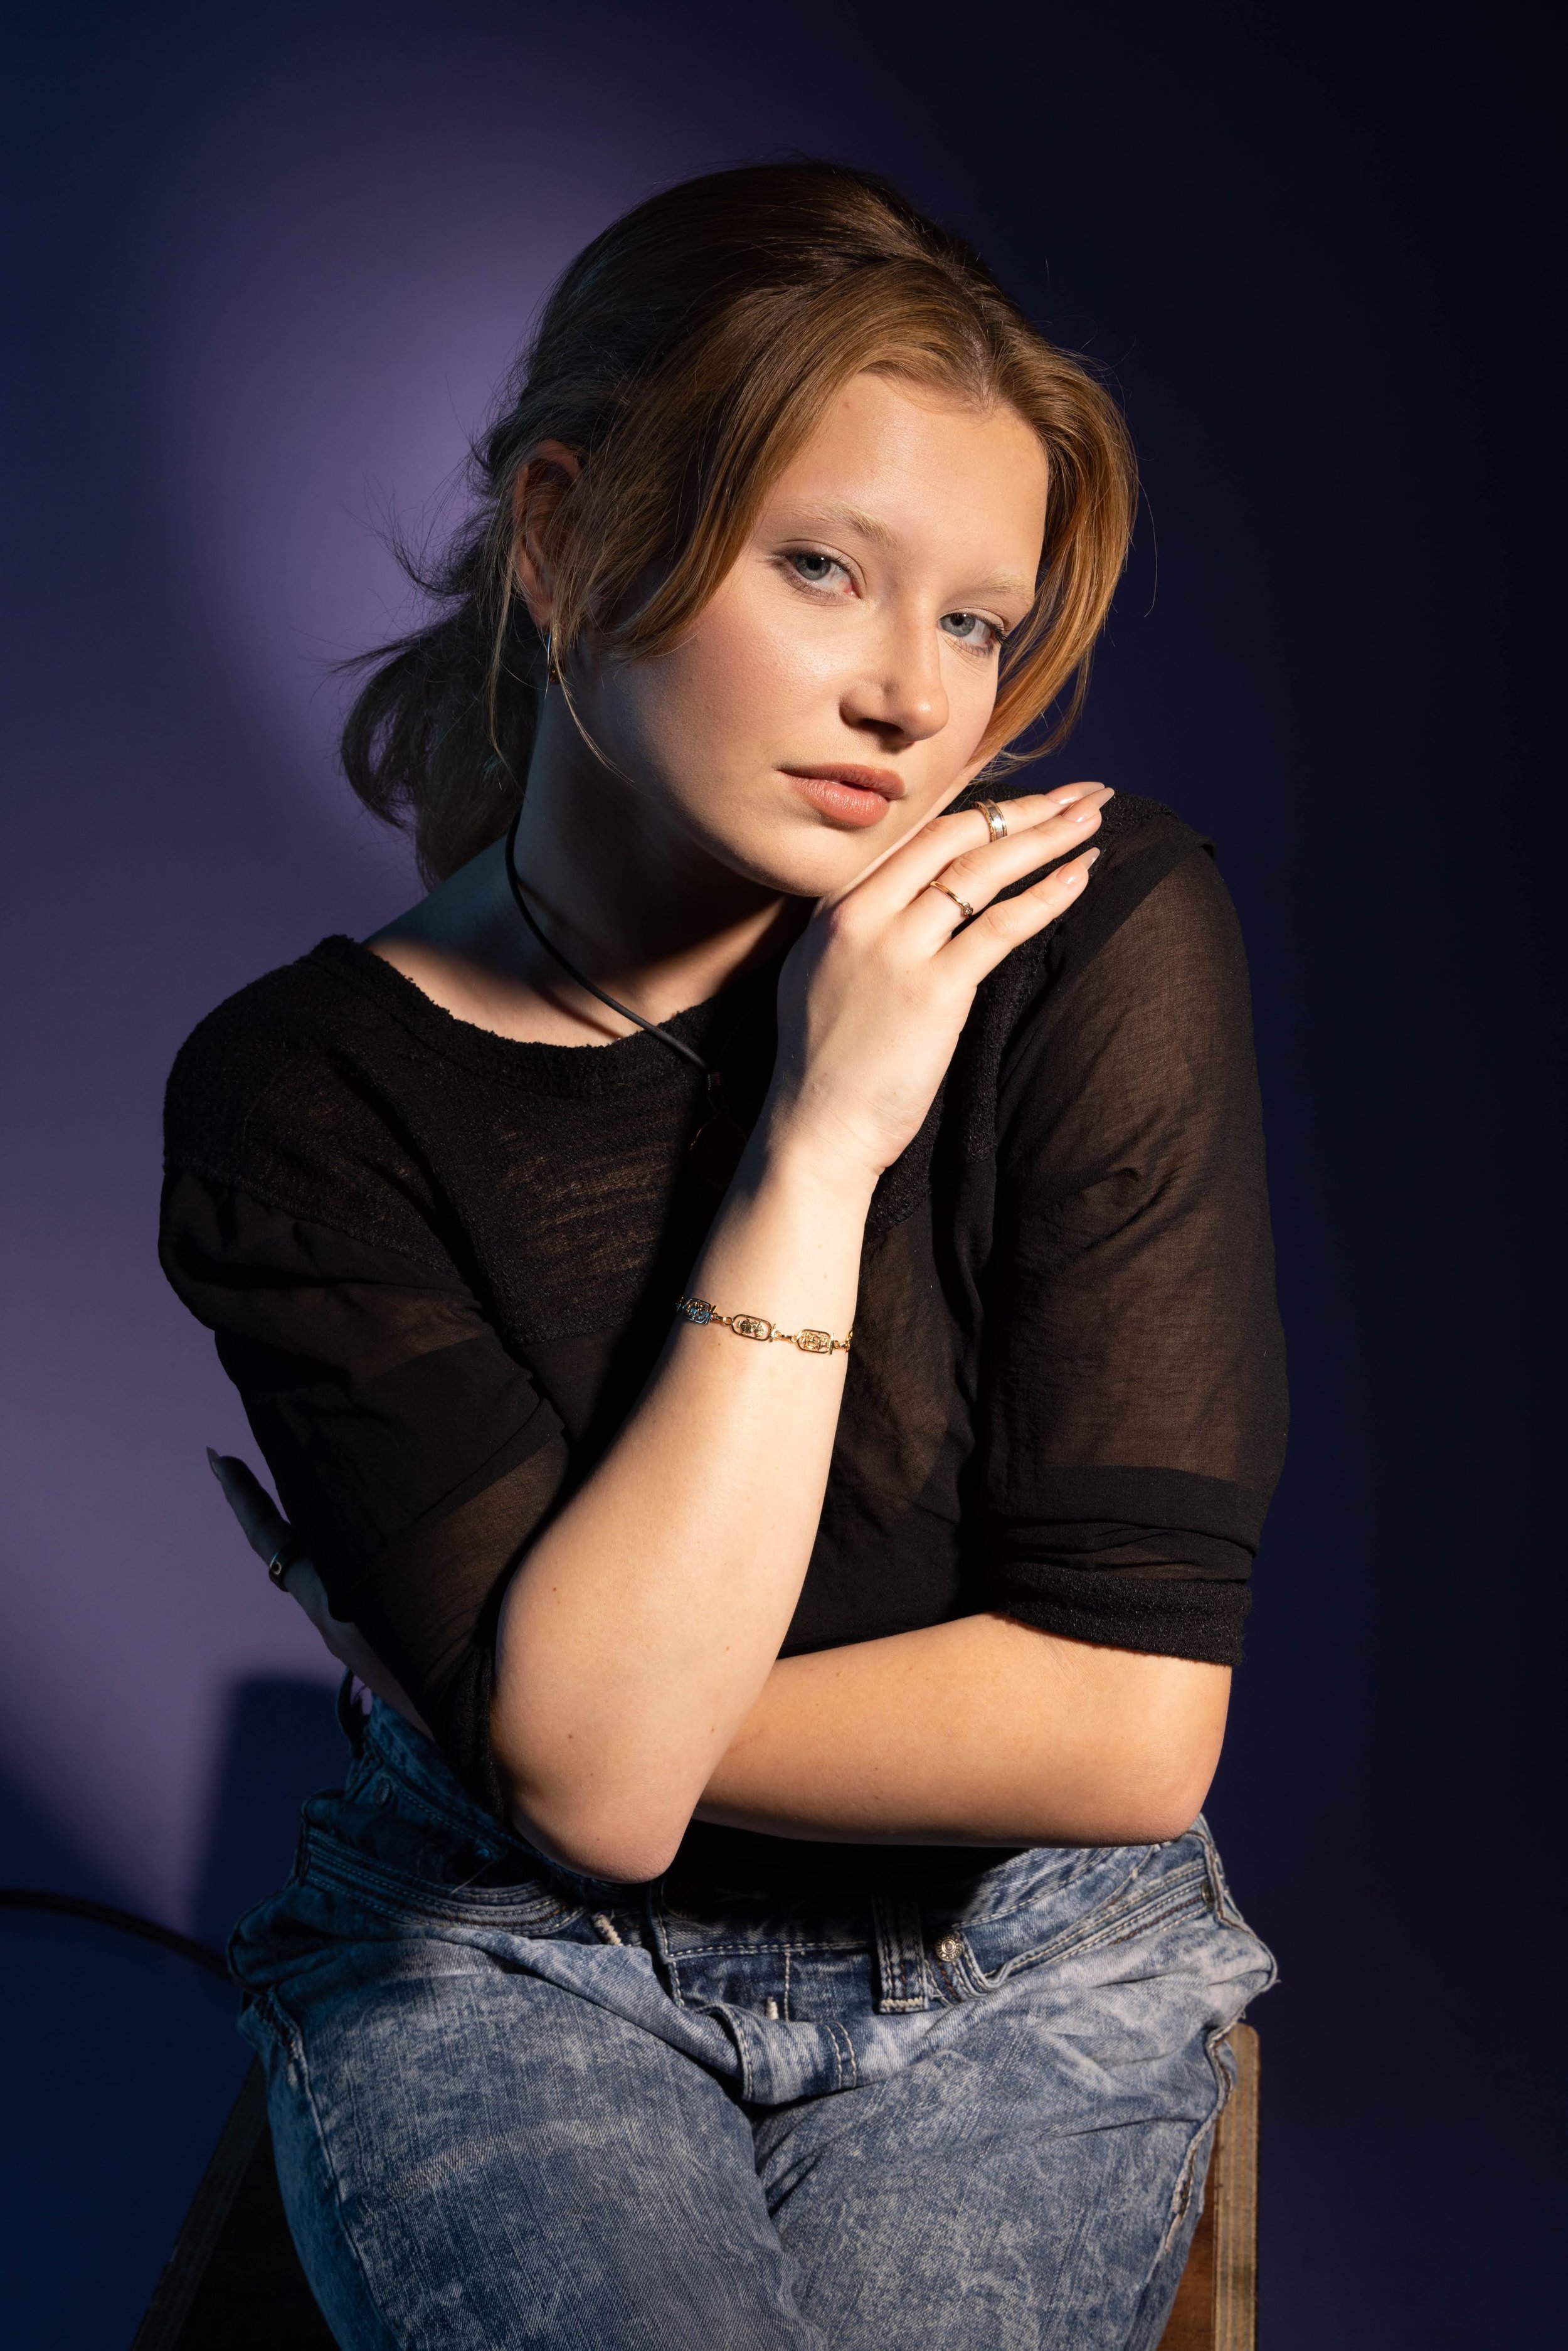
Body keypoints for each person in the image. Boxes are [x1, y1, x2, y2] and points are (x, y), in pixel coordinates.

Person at [160, 161, 1284, 2351]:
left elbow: (1129, 1731)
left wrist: (574, 1713)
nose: (908, 696)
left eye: (972, 621)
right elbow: (570, 1818)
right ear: (567, 535)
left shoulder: (1087, 929)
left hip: (1030, 1966)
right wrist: (820, 1128)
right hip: (496, 1953)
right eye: (822, 570)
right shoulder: (304, 1089)